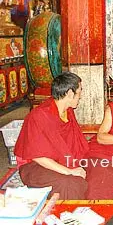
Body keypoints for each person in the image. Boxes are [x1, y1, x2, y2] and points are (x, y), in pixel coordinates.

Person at [14, 71, 89, 199]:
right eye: (79, 91)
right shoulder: (39, 116)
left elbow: (71, 144)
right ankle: (67, 216)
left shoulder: (67, 111)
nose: (80, 96)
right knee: (70, 183)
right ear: (70, 94)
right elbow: (37, 156)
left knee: (93, 172)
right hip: (34, 166)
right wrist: (69, 171)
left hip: (59, 161)